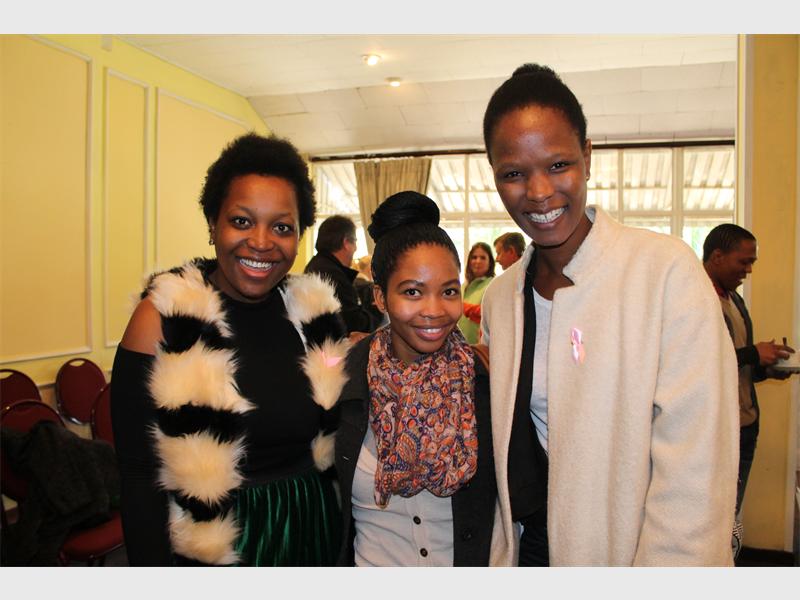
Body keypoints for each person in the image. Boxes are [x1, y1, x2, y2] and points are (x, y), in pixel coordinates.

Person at [480, 63, 739, 566]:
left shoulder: (663, 271)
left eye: (558, 164)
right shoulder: (502, 298)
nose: (538, 192)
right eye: (513, 173)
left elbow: (698, 467)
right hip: (527, 550)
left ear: (588, 157)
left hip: (630, 552)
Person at [110, 133, 350, 566]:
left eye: (282, 227)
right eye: (241, 221)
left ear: (300, 236)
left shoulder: (316, 316)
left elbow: (342, 416)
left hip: (311, 526)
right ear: (212, 224)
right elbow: (138, 473)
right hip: (218, 544)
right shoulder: (165, 317)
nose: (261, 241)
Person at [333, 191, 511, 566]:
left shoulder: (486, 381)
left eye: (448, 291)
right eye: (413, 291)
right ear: (380, 297)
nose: (434, 310)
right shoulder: (343, 380)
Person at [702, 224, 795, 536]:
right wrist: (754, 353)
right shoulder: (695, 300)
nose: (749, 270)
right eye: (744, 262)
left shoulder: (735, 301)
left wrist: (766, 367)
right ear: (717, 257)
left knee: (730, 515)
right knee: (711, 517)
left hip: (745, 427)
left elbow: (737, 368)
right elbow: (700, 363)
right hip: (715, 430)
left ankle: (726, 556)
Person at [305, 215, 379, 335]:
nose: (356, 248)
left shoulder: (317, 266)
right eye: (354, 242)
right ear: (346, 243)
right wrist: (378, 308)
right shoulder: (332, 275)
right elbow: (356, 325)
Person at [458, 242, 495, 344]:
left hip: (480, 348)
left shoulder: (493, 285)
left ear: (490, 262)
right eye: (474, 257)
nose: (478, 261)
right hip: (458, 346)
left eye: (483, 258)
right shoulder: (462, 286)